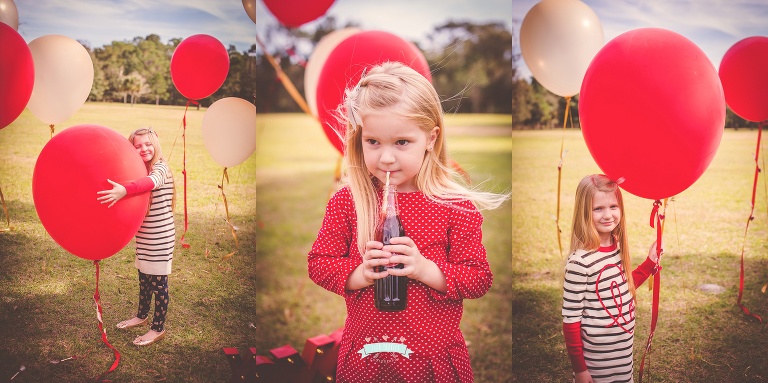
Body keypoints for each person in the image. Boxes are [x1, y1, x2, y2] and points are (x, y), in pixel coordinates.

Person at [307, 62, 509, 382]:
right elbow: (319, 263)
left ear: (430, 138)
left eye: (402, 142)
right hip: (368, 356)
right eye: (373, 142)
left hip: (431, 358)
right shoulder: (349, 201)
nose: (386, 157)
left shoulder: (455, 206)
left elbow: (478, 278)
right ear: (359, 138)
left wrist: (424, 269)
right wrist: (360, 273)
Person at [562, 174, 662, 383]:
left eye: (613, 206)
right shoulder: (580, 262)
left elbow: (622, 287)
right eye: (598, 209)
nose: (607, 215)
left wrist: (649, 263)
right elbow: (571, 321)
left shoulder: (616, 246)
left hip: (622, 355)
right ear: (584, 212)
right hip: (597, 362)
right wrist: (580, 370)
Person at [96, 127, 175, 347]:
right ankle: (141, 316)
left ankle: (158, 329)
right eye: (137, 146)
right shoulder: (141, 168)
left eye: (148, 144)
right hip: (145, 236)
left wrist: (124, 190)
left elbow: (150, 183)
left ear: (156, 144)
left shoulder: (160, 167)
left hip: (160, 236)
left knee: (159, 284)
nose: (144, 149)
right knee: (144, 279)